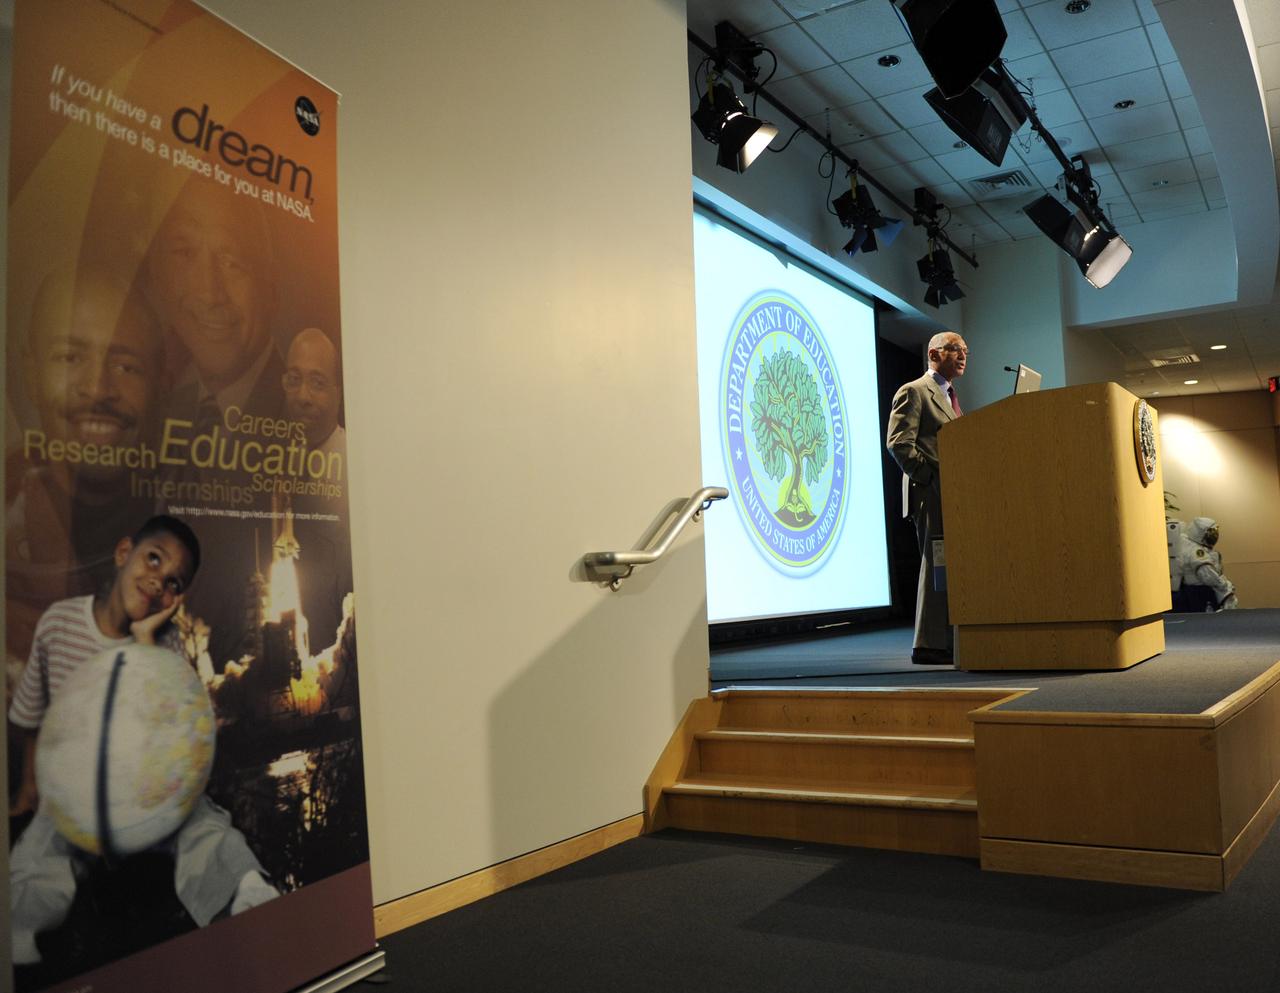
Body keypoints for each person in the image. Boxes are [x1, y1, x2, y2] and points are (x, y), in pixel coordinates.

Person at [8, 515, 276, 968]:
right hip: (78, 788)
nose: (158, 581)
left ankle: (243, 888)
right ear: (122, 553)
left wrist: (145, 640)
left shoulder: (166, 644)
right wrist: (28, 793)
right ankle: (21, 925)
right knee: (42, 846)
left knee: (202, 822)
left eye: (174, 582)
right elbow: (33, 716)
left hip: (141, 786)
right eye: (153, 559)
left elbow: (172, 731)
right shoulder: (59, 624)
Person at [6, 265, 167, 664]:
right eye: (70, 357)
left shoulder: (191, 515)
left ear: (157, 384)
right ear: (30, 371)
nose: (98, 388)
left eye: (126, 366)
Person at [144, 177, 284, 422]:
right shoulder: (159, 412)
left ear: (271, 288)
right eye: (184, 253)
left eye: (232, 263)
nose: (209, 294)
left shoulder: (303, 414)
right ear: (157, 273)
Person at [886, 331, 968, 664]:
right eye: (955, 349)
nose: (963, 354)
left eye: (965, 350)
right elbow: (898, 443)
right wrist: (932, 477)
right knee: (937, 562)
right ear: (934, 354)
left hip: (954, 492)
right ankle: (928, 644)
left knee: (947, 564)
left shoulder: (950, 395)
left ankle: (948, 640)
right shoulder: (914, 391)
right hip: (930, 491)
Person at [283, 327, 345, 454]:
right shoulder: (292, 459)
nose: (302, 397)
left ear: (338, 395)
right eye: (294, 379)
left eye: (317, 383)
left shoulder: (350, 460)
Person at [1173, 516, 1238, 611]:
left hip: (1192, 592)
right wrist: (1224, 585)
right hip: (1200, 593)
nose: (1214, 537)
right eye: (1211, 534)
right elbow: (1208, 576)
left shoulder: (1187, 544)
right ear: (1199, 534)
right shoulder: (1196, 551)